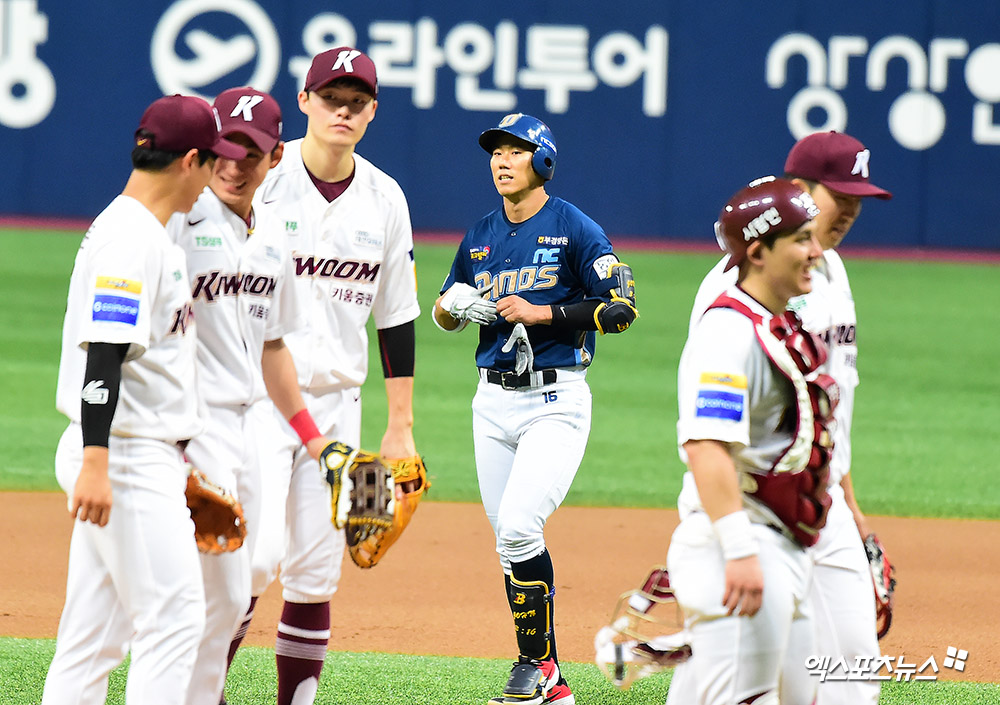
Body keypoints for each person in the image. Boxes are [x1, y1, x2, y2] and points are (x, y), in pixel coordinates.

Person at [226, 47, 420, 705]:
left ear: (373, 111)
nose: (343, 111)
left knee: (316, 573)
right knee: (253, 558)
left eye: (356, 102)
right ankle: (201, 689)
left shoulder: (385, 198)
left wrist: (400, 426)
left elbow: (396, 316)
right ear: (304, 100)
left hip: (340, 407)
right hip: (256, 399)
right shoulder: (263, 181)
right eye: (331, 98)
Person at [42, 95, 246, 705]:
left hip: (135, 452)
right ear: (189, 161)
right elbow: (103, 355)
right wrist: (98, 462)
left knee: (93, 640)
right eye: (213, 161)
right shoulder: (131, 240)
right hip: (124, 456)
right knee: (175, 620)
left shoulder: (141, 232)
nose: (217, 175)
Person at [433, 112, 639, 705]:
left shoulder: (574, 228)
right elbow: (444, 314)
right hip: (491, 403)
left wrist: (543, 313)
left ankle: (534, 667)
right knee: (509, 541)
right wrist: (455, 306)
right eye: (495, 151)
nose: (501, 160)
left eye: (515, 150)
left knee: (521, 526)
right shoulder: (479, 234)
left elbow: (621, 307)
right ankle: (551, 680)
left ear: (542, 160)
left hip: (554, 400)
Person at [679, 131, 892, 705]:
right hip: (754, 506)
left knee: (849, 676)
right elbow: (709, 434)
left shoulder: (830, 271)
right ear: (797, 190)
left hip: (820, 503)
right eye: (838, 196)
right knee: (744, 678)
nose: (849, 211)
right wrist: (730, 537)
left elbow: (824, 411)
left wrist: (850, 505)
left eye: (858, 200)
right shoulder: (735, 300)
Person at [166, 87, 334, 705]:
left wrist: (314, 441)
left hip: (247, 431)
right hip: (189, 429)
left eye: (251, 154)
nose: (234, 167)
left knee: (234, 596)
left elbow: (274, 347)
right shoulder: (179, 223)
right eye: (224, 151)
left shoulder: (273, 239)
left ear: (275, 156)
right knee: (187, 597)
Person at [666, 176, 833, 705]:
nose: (817, 251)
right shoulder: (727, 333)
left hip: (780, 545)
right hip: (739, 547)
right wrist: (738, 550)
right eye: (802, 239)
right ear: (758, 252)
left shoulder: (776, 323)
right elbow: (706, 446)